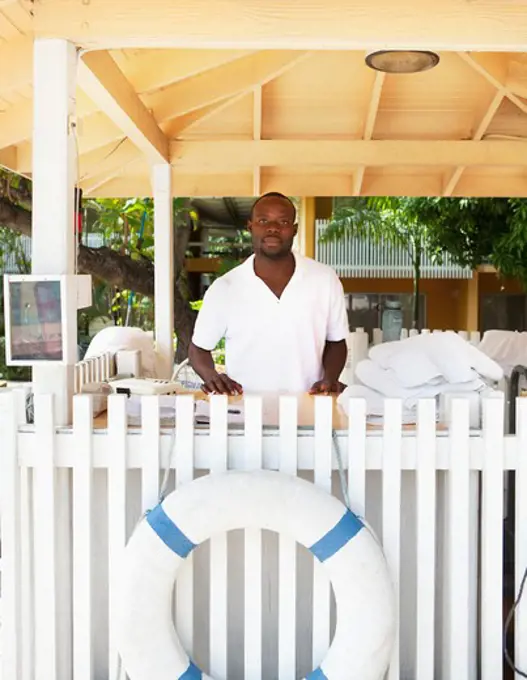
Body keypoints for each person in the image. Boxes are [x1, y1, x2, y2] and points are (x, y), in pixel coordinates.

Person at [188, 192, 349, 395]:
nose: (273, 228)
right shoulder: (225, 287)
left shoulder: (325, 279)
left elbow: (337, 342)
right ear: (250, 227)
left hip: (309, 409)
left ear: (294, 229)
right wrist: (212, 377)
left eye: (283, 221)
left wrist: (329, 379)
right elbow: (198, 349)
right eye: (263, 220)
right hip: (244, 412)